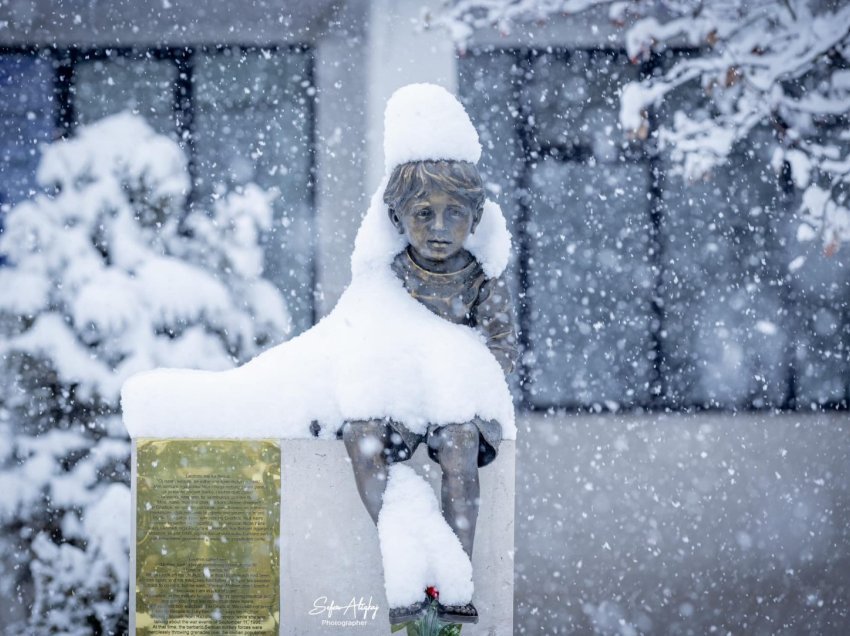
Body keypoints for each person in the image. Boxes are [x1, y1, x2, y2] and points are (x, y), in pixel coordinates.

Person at [341, 157, 518, 625]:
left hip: (459, 400)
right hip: (402, 397)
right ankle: (405, 549)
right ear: (399, 217)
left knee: (459, 444)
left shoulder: (481, 280)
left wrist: (462, 387)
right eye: (423, 212)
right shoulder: (390, 274)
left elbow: (502, 349)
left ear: (473, 219)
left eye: (454, 213)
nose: (439, 226)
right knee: (360, 434)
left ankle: (452, 577)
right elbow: (355, 334)